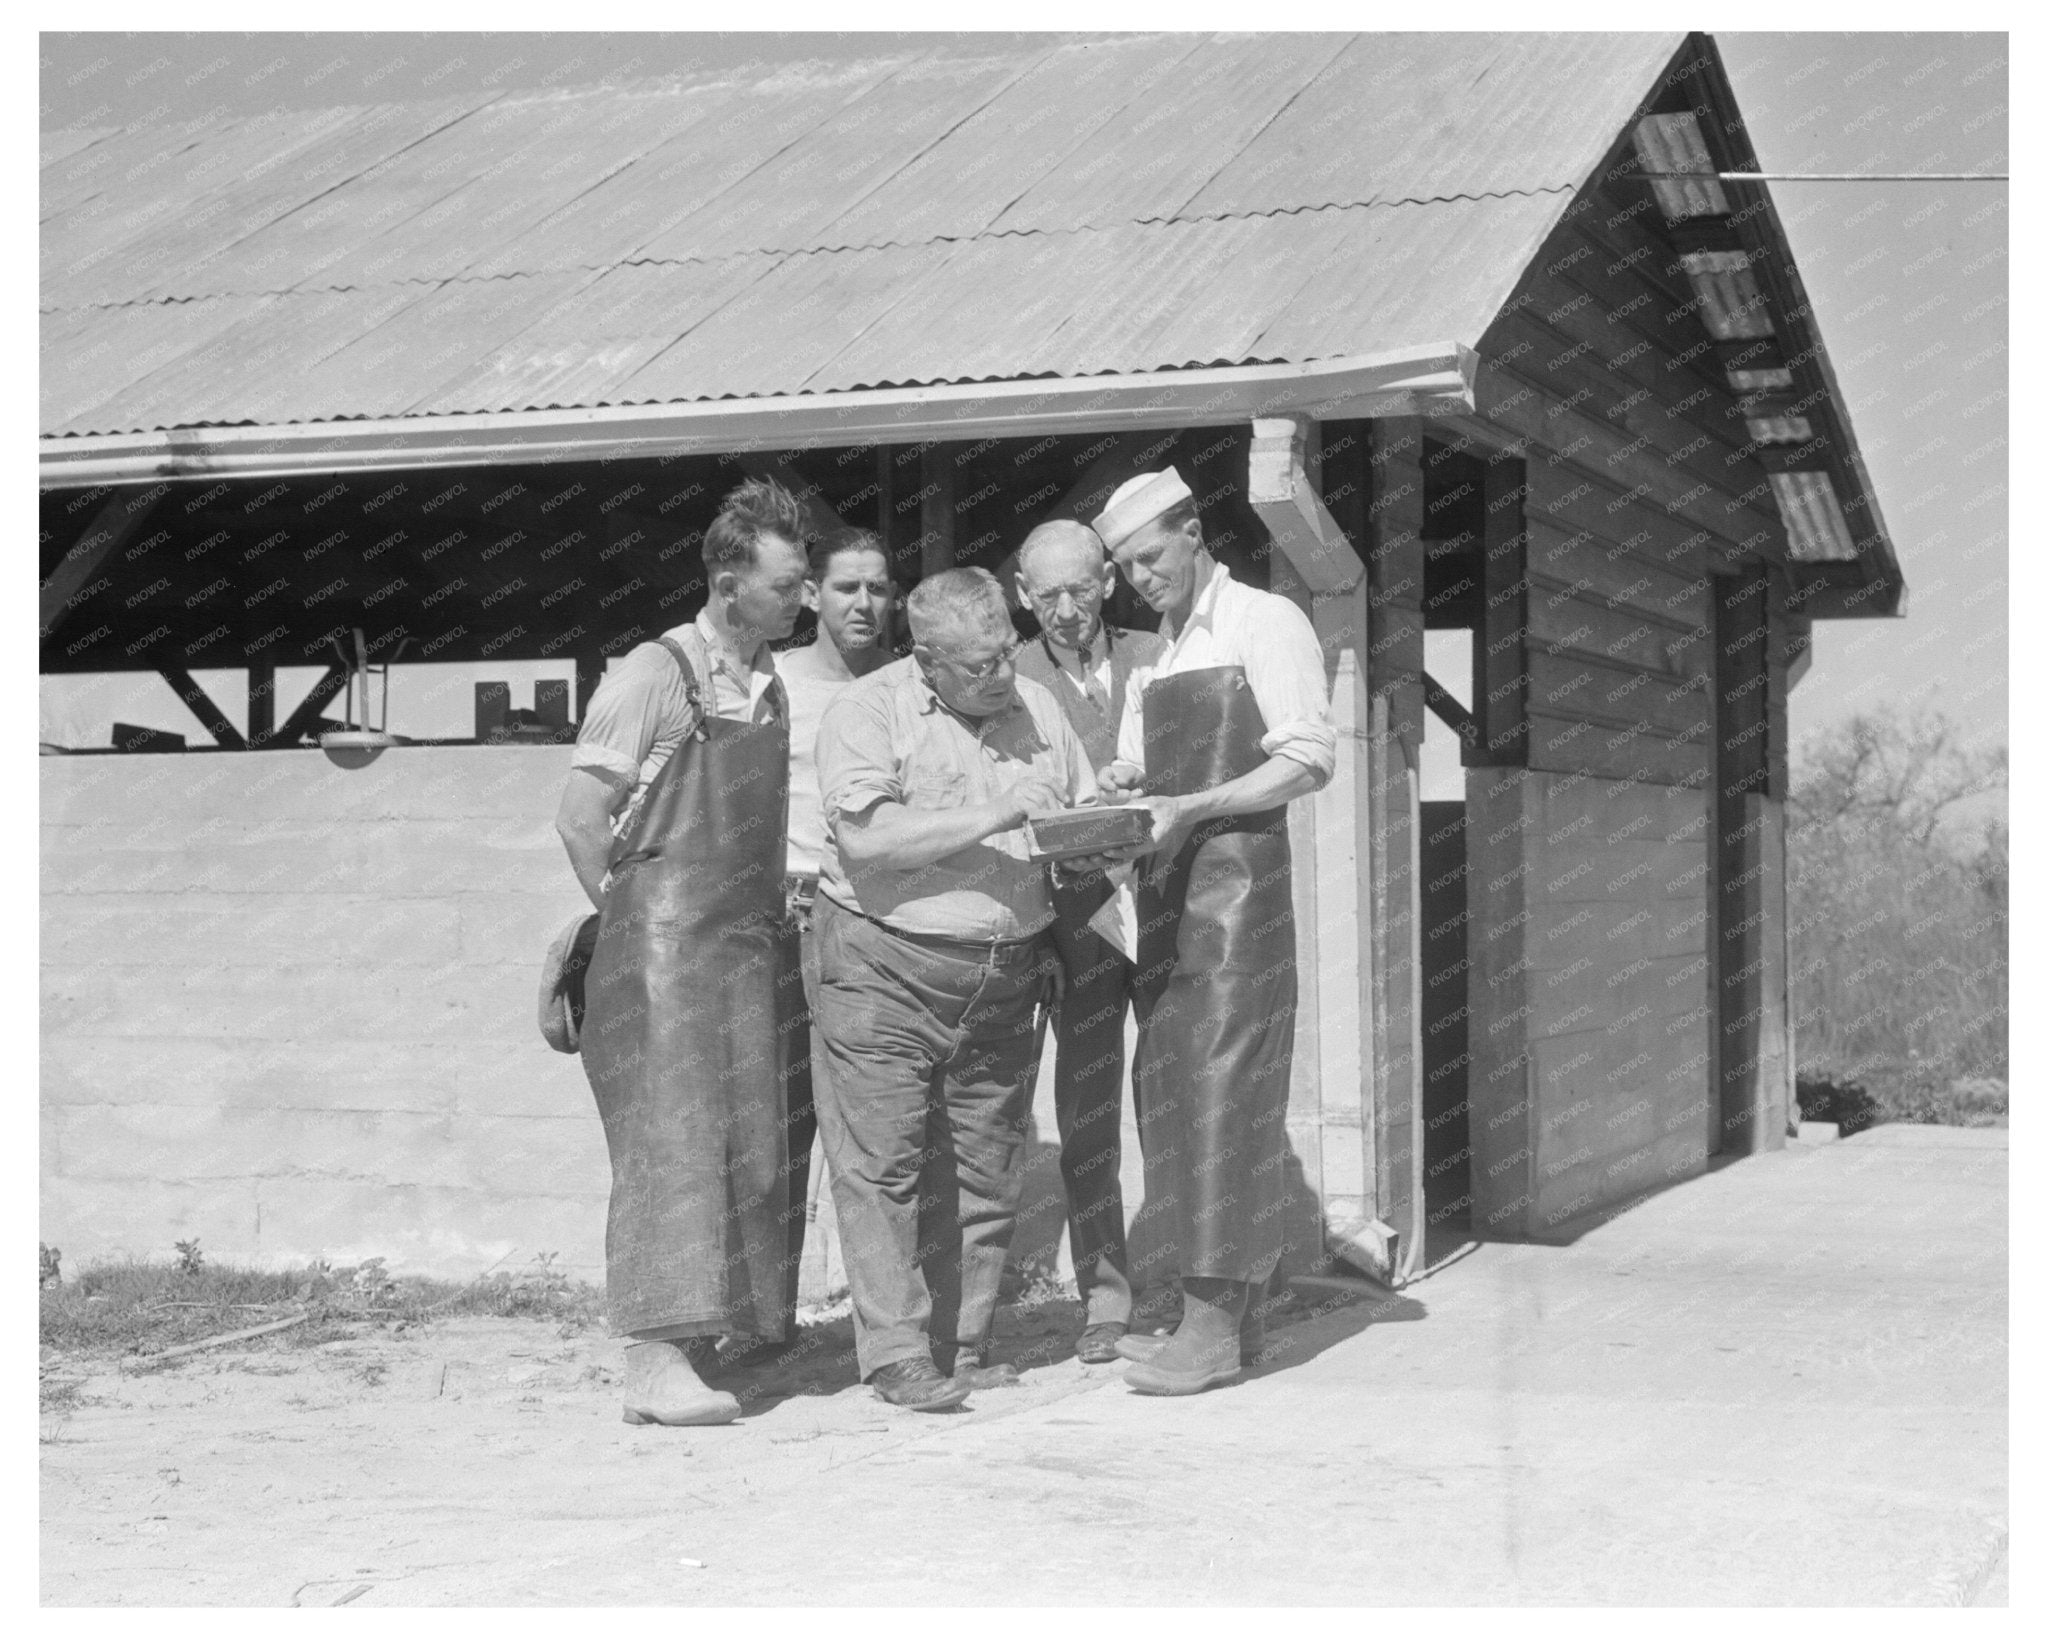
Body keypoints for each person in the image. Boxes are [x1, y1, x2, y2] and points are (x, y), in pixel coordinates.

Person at [810, 567, 1119, 1411]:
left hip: (1004, 971)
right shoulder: (866, 711)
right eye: (977, 667)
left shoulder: (1039, 707)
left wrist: (1104, 819)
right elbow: (868, 836)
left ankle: (963, 1343)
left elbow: (1070, 821)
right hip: (883, 965)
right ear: (927, 663)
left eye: (1005, 655)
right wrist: (997, 811)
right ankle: (899, 1353)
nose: (999, 676)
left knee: (987, 1167)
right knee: (884, 1165)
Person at [554, 475, 810, 1427]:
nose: (801, 601)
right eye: (785, 586)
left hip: (740, 951)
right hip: (660, 961)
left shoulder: (768, 684)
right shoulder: (654, 674)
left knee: (743, 1146)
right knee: (670, 1151)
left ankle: (705, 1342)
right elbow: (580, 819)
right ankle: (653, 1365)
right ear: (726, 578)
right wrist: (633, 932)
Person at [1094, 467, 1336, 1397]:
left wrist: (1195, 806)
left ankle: (1211, 1329)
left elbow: (1308, 760)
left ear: (1194, 531)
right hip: (1167, 906)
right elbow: (1134, 766)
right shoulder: (1153, 656)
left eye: (1150, 557)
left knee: (1228, 1102)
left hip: (1240, 905)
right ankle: (1233, 1317)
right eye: (1126, 567)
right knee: (1176, 1102)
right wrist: (1123, 786)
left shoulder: (1264, 622)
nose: (1141, 578)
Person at [1010, 519, 1165, 1364]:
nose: (1065, 610)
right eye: (1046, 596)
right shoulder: (1014, 677)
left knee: (1173, 1094)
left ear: (1108, 581)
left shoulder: (1161, 652)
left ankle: (1187, 1276)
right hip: (1074, 927)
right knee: (1087, 1112)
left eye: (1079, 589)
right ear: (1022, 598)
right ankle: (1105, 1294)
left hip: (1169, 909)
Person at [773, 527, 898, 1314]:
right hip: (784, 916)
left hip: (872, 919)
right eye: (847, 587)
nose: (864, 603)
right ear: (812, 594)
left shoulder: (905, 685)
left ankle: (868, 1304)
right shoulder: (772, 683)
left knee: (871, 1122)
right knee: (779, 1120)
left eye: (879, 588)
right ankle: (768, 1313)